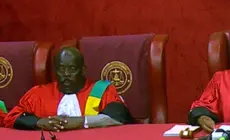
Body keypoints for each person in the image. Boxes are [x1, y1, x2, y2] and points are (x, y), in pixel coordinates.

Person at [4, 47, 133, 130]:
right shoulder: (38, 94)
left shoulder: (102, 91)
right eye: (61, 69)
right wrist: (39, 122)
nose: (66, 74)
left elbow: (120, 118)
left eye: (71, 69)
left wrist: (80, 122)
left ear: (82, 70)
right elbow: (11, 118)